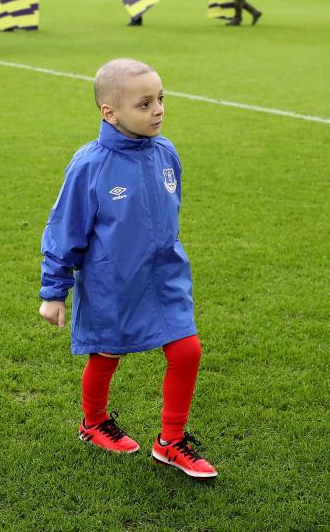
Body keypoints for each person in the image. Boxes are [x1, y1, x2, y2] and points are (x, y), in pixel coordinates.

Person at [38, 58, 217, 481]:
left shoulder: (166, 152)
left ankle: (170, 442)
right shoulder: (90, 164)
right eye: (144, 103)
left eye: (160, 99)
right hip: (112, 282)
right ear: (110, 113)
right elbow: (66, 230)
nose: (158, 110)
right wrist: (53, 292)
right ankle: (93, 422)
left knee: (187, 350)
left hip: (166, 277)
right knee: (106, 355)